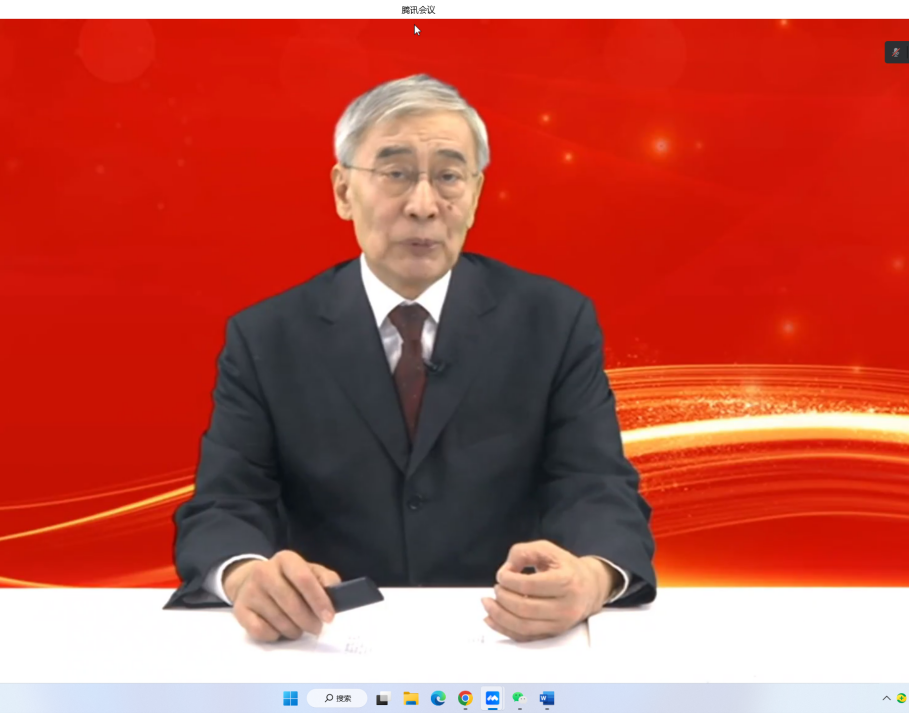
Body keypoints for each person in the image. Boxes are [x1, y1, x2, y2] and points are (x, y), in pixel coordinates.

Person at [166, 74, 656, 642]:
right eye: (395, 173)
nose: (423, 206)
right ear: (343, 190)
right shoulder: (266, 337)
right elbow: (225, 504)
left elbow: (595, 485)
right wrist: (246, 576)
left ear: (475, 194)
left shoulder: (554, 321)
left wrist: (592, 579)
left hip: (506, 636)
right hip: (327, 639)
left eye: (448, 177)